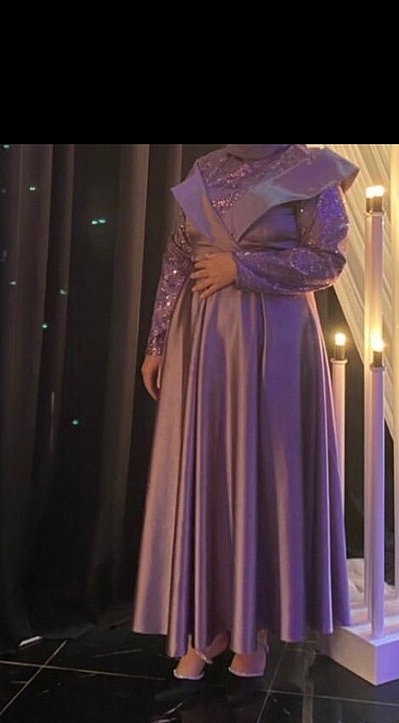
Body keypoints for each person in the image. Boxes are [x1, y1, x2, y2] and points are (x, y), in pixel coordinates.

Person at [133, 143, 359, 684]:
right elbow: (177, 258)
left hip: (274, 344)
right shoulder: (207, 168)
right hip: (202, 343)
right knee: (211, 477)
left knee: (260, 476)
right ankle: (209, 626)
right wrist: (158, 341)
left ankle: (252, 628)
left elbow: (326, 263)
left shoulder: (311, 169)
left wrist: (241, 267)